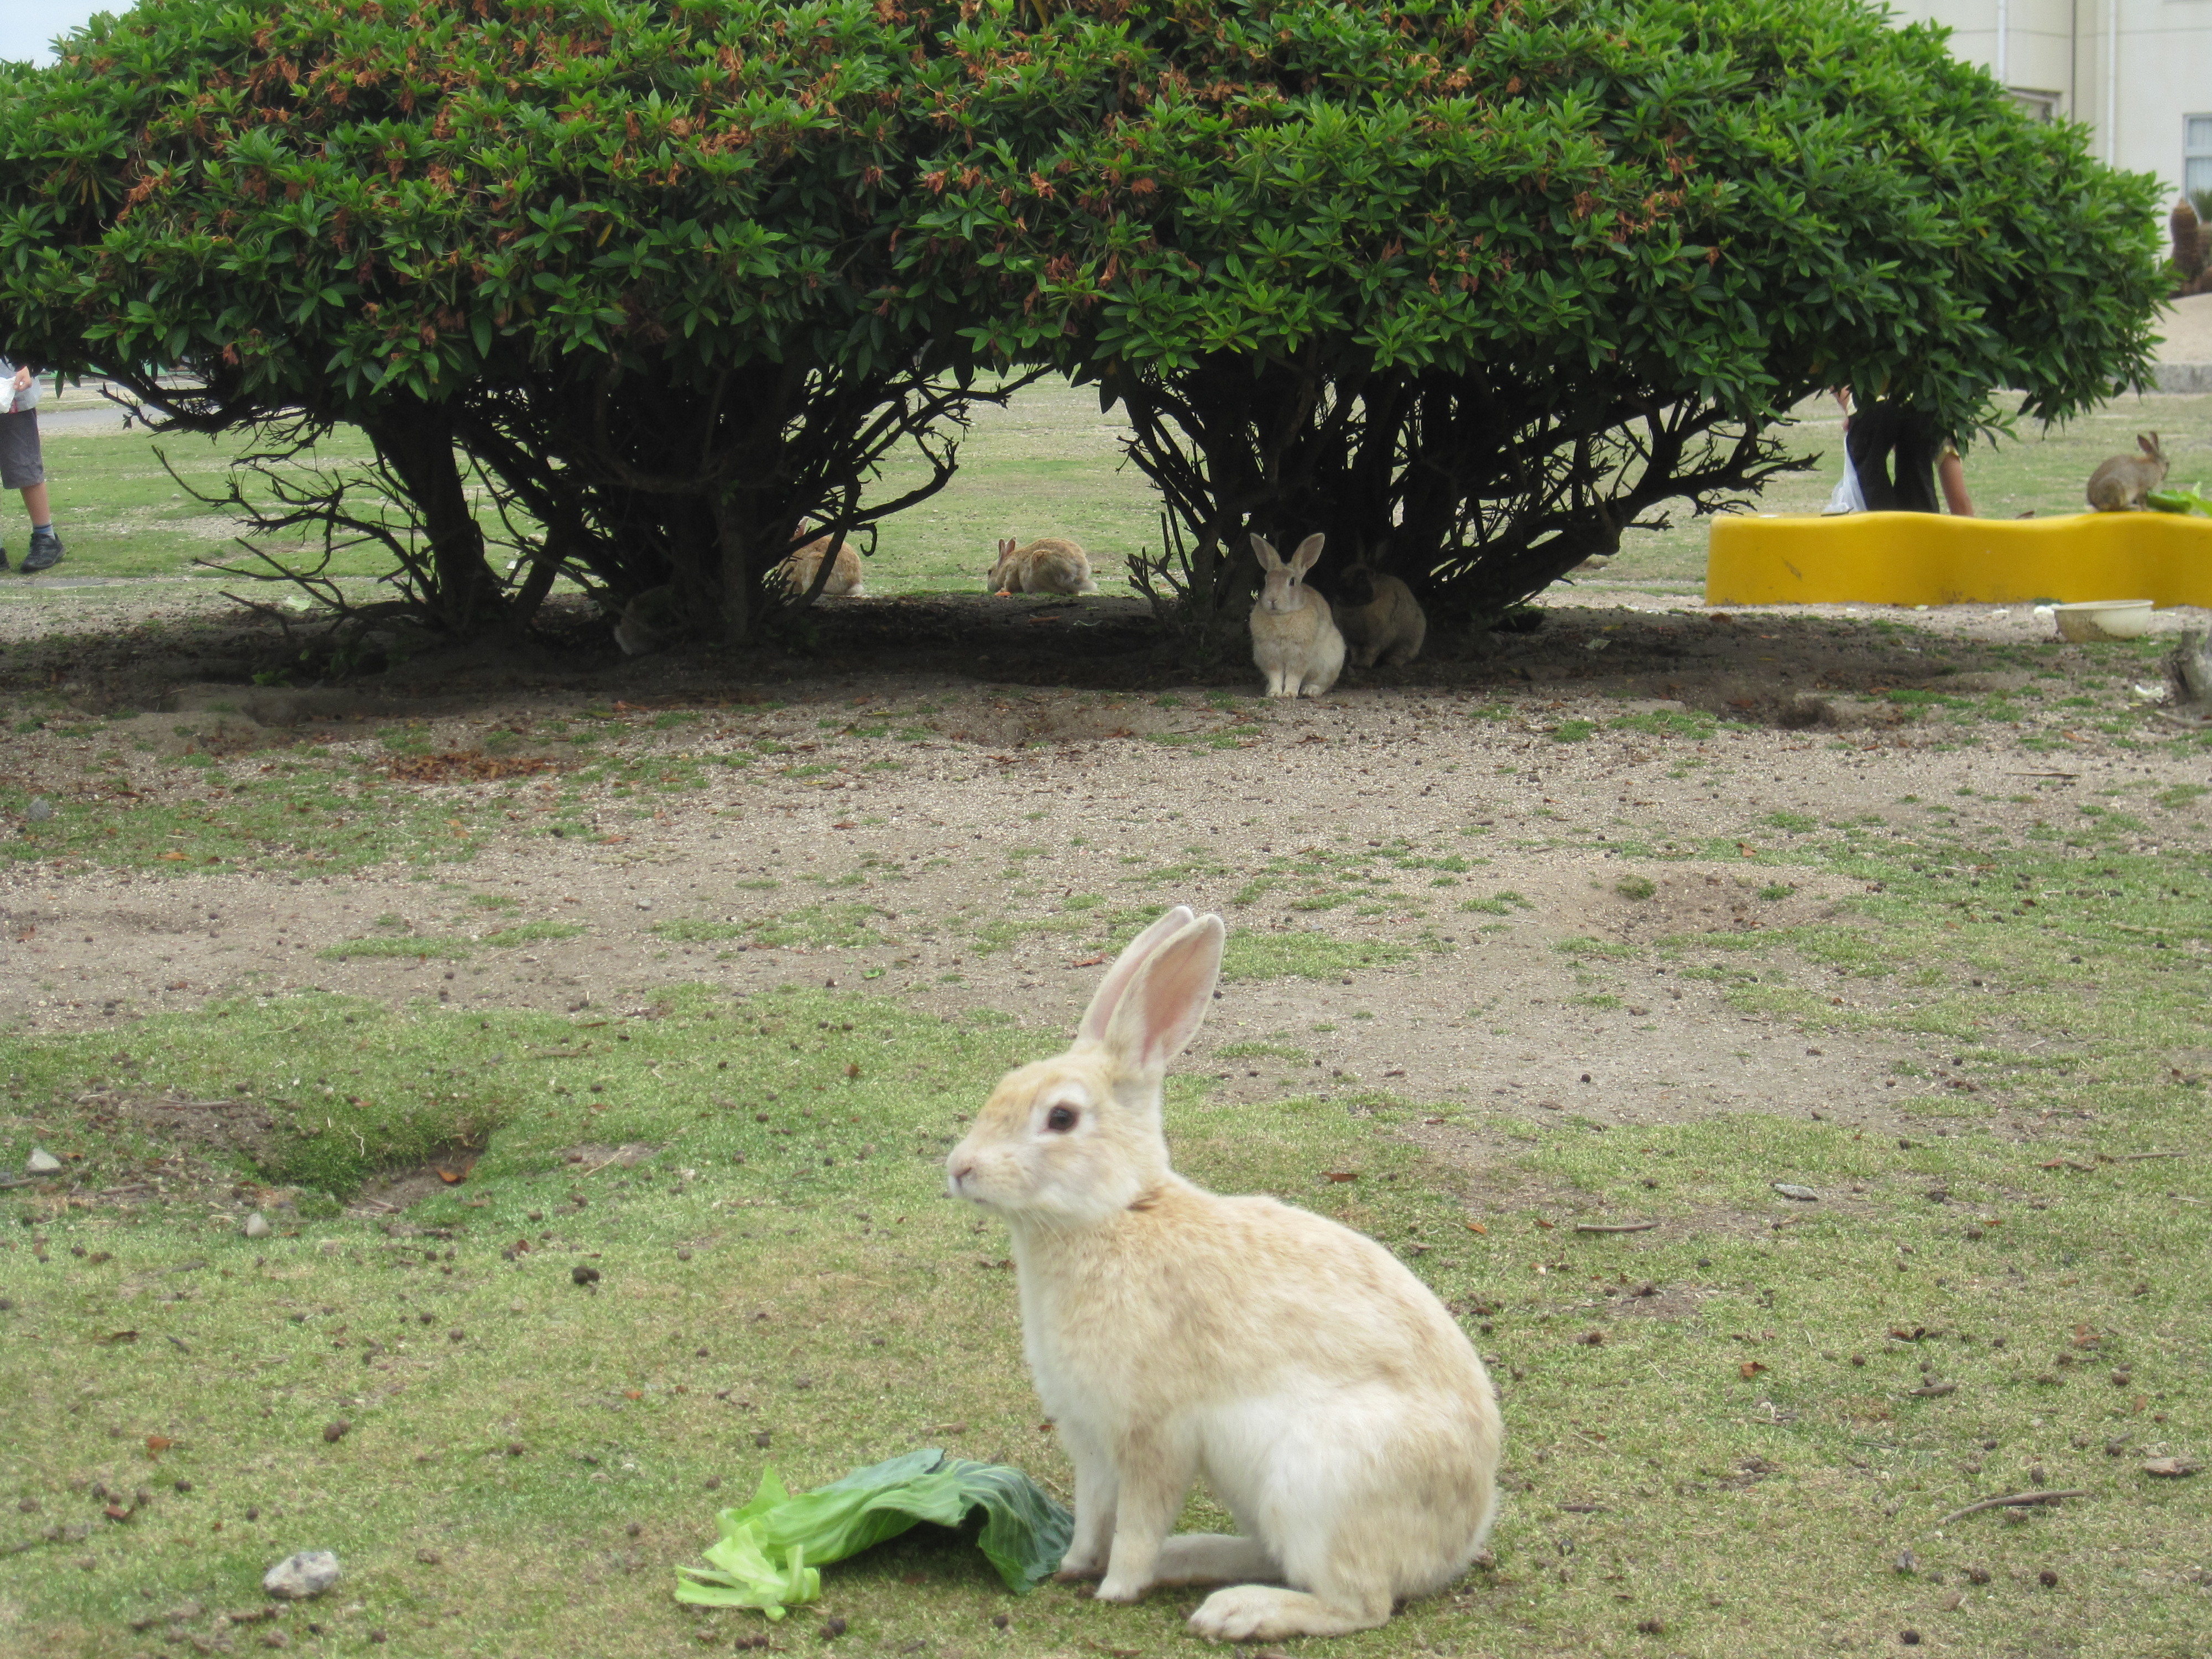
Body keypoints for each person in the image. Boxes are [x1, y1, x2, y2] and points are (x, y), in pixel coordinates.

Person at [0, 355, 64, 572]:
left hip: (11, 387)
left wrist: (27, 364)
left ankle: (46, 537)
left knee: (24, 464)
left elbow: (23, 333)